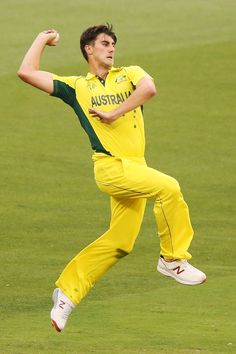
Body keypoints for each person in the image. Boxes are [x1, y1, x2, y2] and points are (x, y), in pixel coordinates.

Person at [17, 24, 206, 332]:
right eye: (104, 43)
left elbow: (149, 89)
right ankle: (172, 259)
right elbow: (27, 72)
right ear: (88, 49)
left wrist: (115, 112)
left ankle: (66, 294)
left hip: (135, 168)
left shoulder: (129, 73)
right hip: (110, 168)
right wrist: (43, 37)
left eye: (113, 43)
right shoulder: (77, 86)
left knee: (120, 242)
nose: (111, 48)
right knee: (169, 187)